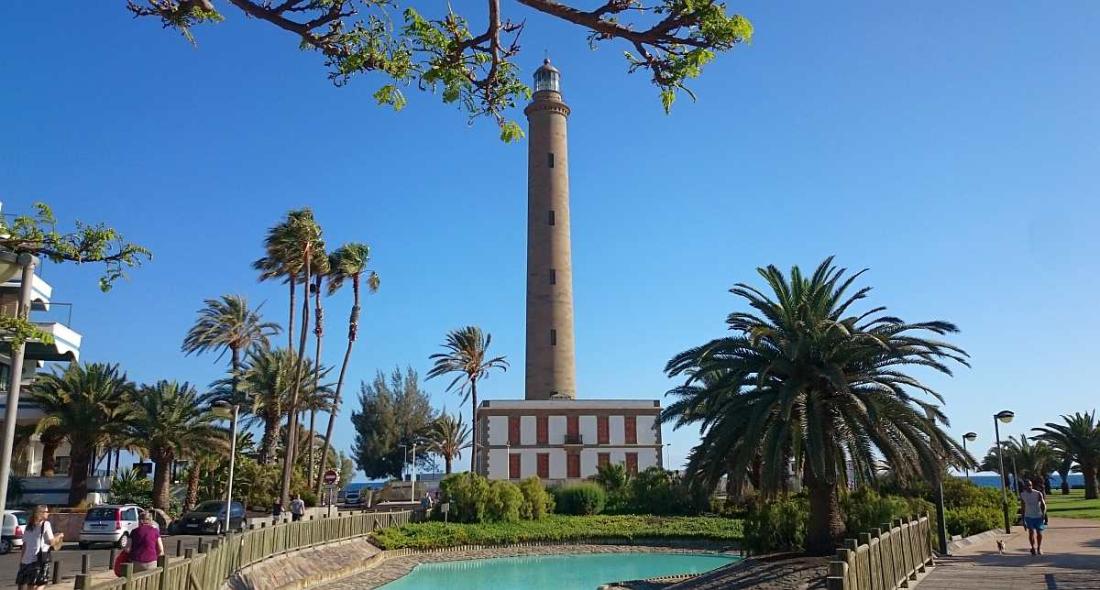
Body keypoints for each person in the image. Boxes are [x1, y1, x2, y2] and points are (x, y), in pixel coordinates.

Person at [17, 505, 63, 590]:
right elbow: (51, 542)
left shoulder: (29, 526)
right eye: (46, 511)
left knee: (29, 585)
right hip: (38, 559)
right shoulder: (46, 524)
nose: (48, 513)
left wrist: (21, 561)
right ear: (41, 513)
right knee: (41, 583)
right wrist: (59, 536)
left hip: (26, 560)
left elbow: (25, 545)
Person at [1020, 478, 1048, 555]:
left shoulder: (1038, 493)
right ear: (1024, 486)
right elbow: (1023, 507)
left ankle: (1039, 547)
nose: (1029, 487)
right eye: (1027, 485)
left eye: (1030, 485)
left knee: (1039, 533)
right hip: (1028, 516)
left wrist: (1043, 514)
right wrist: (1023, 520)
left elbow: (1043, 505)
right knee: (1031, 532)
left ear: (1032, 485)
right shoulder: (1022, 495)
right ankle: (1033, 547)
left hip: (1038, 516)